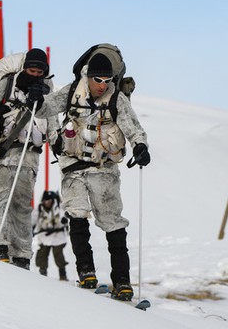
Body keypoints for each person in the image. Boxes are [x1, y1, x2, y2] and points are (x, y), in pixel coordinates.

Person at [31, 50, 150, 301]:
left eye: (107, 81)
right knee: (77, 214)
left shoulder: (117, 99)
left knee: (112, 222)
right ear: (90, 77)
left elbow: (133, 127)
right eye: (99, 80)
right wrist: (36, 99)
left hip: (104, 169)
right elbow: (46, 108)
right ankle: (86, 272)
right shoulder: (73, 90)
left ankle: (122, 281)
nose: (102, 86)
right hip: (73, 165)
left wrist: (140, 146)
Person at [0, 48, 59, 269]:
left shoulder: (48, 92)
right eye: (32, 70)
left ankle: (22, 255)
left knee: (22, 204)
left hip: (30, 154)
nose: (36, 74)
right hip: (3, 149)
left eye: (40, 71)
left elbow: (52, 120)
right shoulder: (7, 84)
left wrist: (57, 140)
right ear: (24, 67)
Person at [32, 190, 68, 281]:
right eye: (46, 201)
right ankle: (42, 274)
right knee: (42, 255)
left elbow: (63, 218)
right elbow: (33, 220)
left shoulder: (58, 208)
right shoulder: (39, 208)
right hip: (44, 236)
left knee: (58, 255)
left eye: (49, 201)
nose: (47, 203)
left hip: (57, 236)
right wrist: (31, 229)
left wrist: (63, 221)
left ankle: (62, 275)